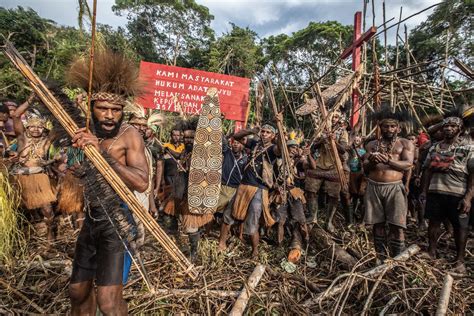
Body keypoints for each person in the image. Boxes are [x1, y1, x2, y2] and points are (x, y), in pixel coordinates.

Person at [67, 49, 148, 315]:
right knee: (77, 291)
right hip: (91, 219)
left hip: (117, 220)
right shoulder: (83, 132)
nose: (110, 115)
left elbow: (142, 182)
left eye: (116, 109)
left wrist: (103, 155)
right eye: (103, 108)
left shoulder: (130, 135)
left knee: (108, 302)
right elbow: (74, 171)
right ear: (92, 107)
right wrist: (75, 161)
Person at [218, 123, 280, 258]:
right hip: (243, 186)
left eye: (267, 132)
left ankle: (255, 251)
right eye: (262, 131)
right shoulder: (254, 144)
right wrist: (252, 130)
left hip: (259, 189)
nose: (264, 134)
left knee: (253, 220)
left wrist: (280, 127)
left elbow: (280, 149)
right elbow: (237, 136)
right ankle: (221, 244)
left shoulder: (273, 150)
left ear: (273, 136)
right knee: (228, 214)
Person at [421, 116, 473, 274]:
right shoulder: (435, 147)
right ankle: (431, 252)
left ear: (460, 129)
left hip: (458, 193)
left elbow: (473, 175)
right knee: (434, 222)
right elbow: (427, 170)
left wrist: (468, 198)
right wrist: (423, 191)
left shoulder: (469, 148)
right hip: (436, 191)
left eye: (452, 126)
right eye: (445, 126)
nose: (448, 128)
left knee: (460, 226)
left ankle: (460, 261)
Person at [363, 108, 415, 260]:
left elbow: (408, 165)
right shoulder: (372, 145)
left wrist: (388, 160)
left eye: (393, 126)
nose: (389, 129)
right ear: (380, 127)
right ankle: (381, 258)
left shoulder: (405, 144)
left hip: (394, 188)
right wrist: (372, 162)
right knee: (377, 225)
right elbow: (365, 167)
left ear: (399, 128)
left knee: (397, 225)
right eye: (386, 126)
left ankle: (397, 260)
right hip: (374, 187)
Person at [9, 94, 57, 241]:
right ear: (27, 127)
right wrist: (32, 98)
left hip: (40, 178)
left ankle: (50, 239)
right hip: (20, 178)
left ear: (43, 128)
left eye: (39, 127)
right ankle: (16, 240)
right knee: (15, 211)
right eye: (33, 126)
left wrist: (49, 103)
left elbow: (59, 123)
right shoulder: (22, 139)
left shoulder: (47, 142)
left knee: (47, 210)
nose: (36, 129)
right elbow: (16, 115)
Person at [172, 118, 214, 261]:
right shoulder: (185, 152)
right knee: (179, 221)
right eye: (186, 137)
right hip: (183, 195)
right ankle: (190, 248)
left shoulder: (202, 153)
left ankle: (194, 253)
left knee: (191, 226)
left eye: (192, 137)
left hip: (195, 196)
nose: (188, 140)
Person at [305, 110, 348, 232]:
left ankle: (329, 221)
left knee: (334, 196)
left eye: (336, 117)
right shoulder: (320, 130)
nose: (334, 119)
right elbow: (312, 146)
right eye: (332, 116)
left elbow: (344, 150)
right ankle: (313, 216)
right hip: (318, 165)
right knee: (310, 191)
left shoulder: (342, 132)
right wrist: (321, 141)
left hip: (334, 166)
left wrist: (334, 141)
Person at [348, 134, 367, 221]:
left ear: (361, 142)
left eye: (358, 141)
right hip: (351, 174)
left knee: (362, 196)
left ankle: (362, 219)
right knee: (353, 195)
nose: (356, 142)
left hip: (361, 175)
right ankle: (353, 214)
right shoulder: (348, 150)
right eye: (355, 141)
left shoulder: (364, 152)